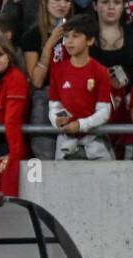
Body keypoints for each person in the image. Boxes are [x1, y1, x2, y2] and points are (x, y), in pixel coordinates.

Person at [47, 14, 112, 159]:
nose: (69, 42)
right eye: (66, 36)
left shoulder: (100, 71)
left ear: (90, 40)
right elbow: (54, 106)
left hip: (95, 142)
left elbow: (104, 111)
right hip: (65, 142)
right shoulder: (57, 71)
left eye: (75, 36)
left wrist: (80, 125)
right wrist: (58, 121)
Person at [90, 0, 133, 133]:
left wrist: (130, 89)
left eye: (117, 3)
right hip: (91, 104)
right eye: (105, 2)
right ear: (94, 6)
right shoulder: (84, 38)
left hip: (127, 104)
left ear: (123, 7)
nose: (111, 7)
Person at [18, 0, 70, 160]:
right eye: (56, 0)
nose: (62, 4)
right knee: (45, 155)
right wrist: (49, 44)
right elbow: (37, 81)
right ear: (44, 3)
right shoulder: (32, 36)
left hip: (72, 94)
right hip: (45, 96)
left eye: (67, 0)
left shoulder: (78, 33)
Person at [0, 31, 27, 196]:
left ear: (9, 56)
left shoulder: (16, 77)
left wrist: (14, 156)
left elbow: (13, 120)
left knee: (7, 201)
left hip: (10, 147)